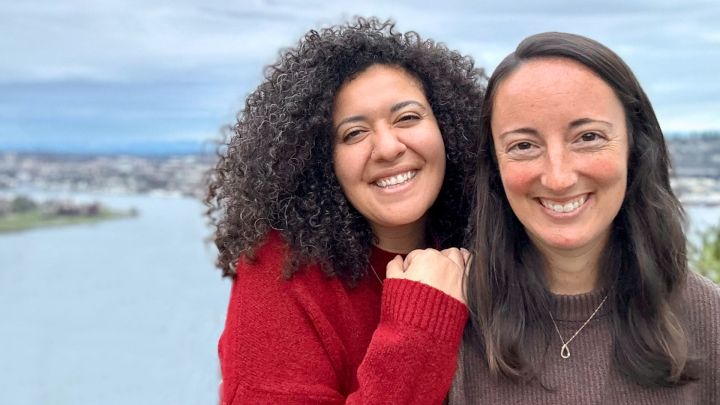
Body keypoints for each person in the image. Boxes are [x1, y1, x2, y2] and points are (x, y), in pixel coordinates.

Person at [205, 17, 485, 404]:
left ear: (448, 129)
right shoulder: (283, 271)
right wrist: (420, 324)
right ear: (321, 160)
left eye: (407, 117)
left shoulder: (489, 238)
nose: (388, 148)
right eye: (354, 133)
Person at [449, 32, 720, 404]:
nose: (558, 178)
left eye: (588, 137)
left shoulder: (710, 322)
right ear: (494, 166)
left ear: (635, 148)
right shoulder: (450, 318)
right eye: (524, 145)